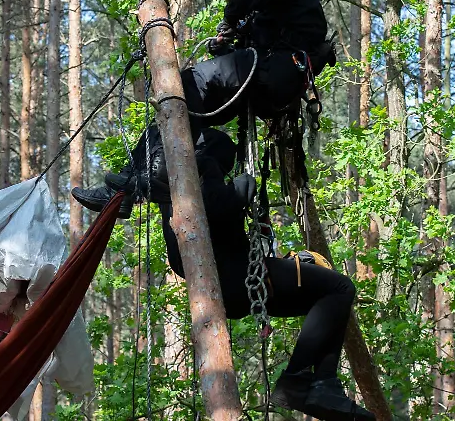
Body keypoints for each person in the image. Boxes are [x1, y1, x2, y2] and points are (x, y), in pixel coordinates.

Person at [72, 0, 334, 217]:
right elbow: (253, 39)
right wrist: (228, 48)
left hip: (284, 67)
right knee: (179, 109)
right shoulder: (261, 11)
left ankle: (160, 172)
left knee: (191, 82)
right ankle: (127, 187)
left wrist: (233, 18)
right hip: (265, 79)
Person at [142, 127, 375, 421]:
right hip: (239, 278)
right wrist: (239, 187)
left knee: (327, 296)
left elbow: (194, 242)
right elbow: (220, 208)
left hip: (234, 286)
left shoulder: (167, 191)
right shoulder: (199, 169)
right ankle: (304, 382)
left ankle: (321, 385)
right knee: (338, 288)